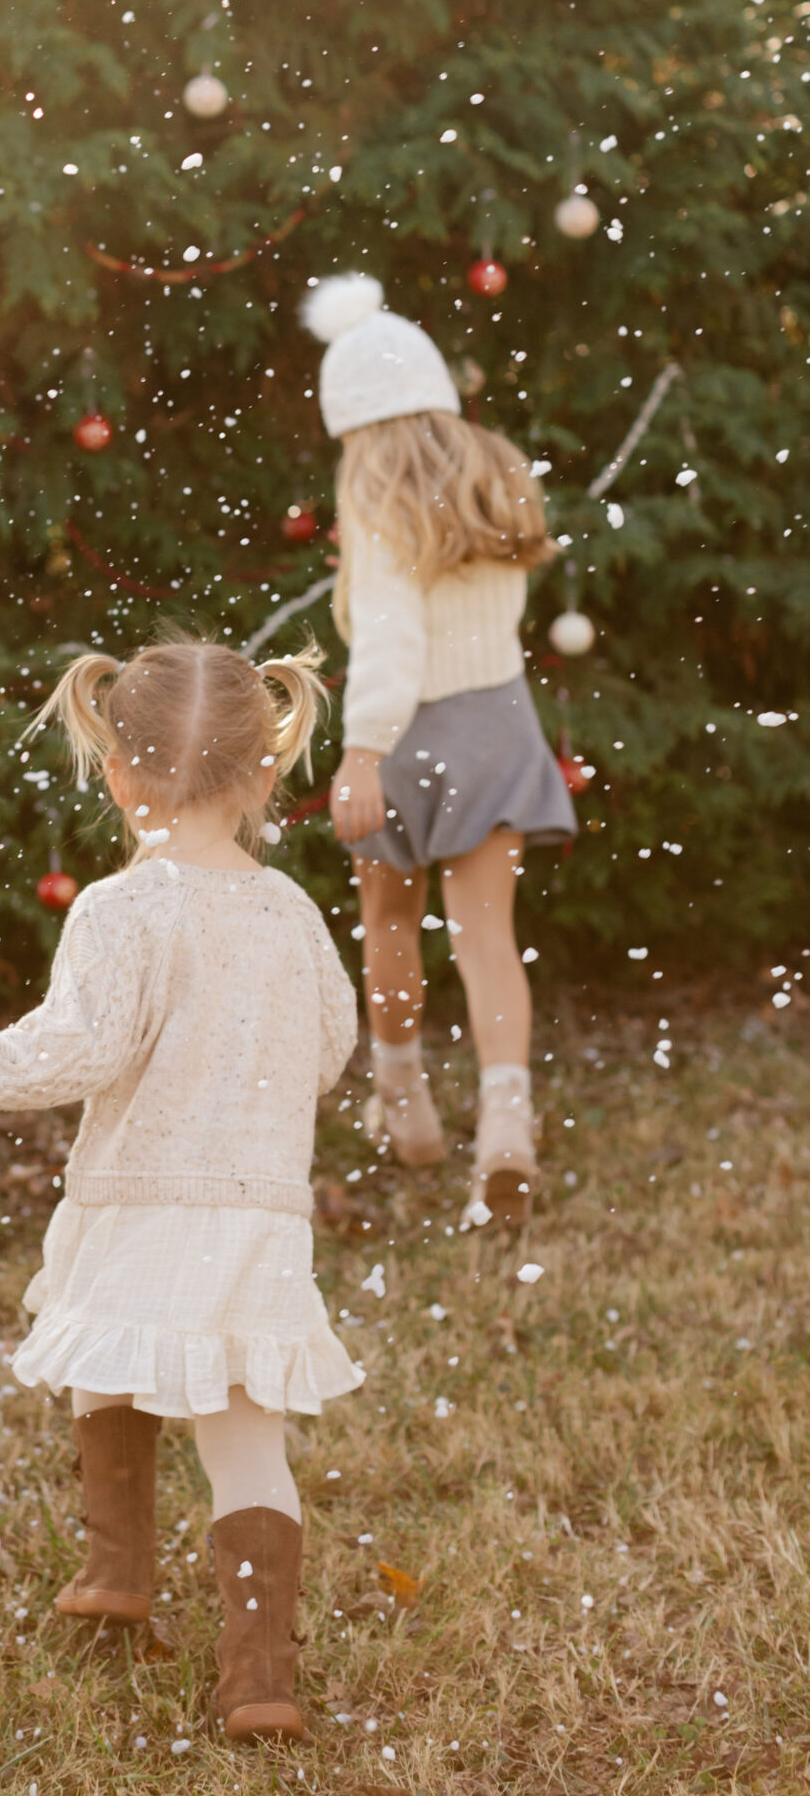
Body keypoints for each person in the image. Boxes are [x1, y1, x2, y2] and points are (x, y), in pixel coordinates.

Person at [0, 638, 360, 1743]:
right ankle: (258, 1675)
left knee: (104, 1355)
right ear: (263, 773)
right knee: (245, 1438)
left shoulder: (121, 908)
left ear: (118, 771)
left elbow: (72, 1054)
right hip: (254, 1210)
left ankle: (119, 1565)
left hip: (140, 1197)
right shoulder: (290, 909)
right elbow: (331, 1041)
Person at [303, 272, 575, 1226]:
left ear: (351, 425)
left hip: (409, 733)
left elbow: (388, 640)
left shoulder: (379, 504)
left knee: (388, 923)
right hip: (497, 720)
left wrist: (361, 753)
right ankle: (506, 1125)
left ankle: (407, 1105)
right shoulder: (492, 475)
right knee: (486, 940)